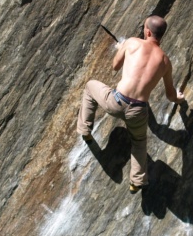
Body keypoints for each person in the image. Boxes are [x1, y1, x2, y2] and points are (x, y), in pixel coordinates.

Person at [77, 15, 185, 192]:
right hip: (138, 111)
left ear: (147, 31)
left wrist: (122, 49)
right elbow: (171, 95)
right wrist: (179, 98)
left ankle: (85, 131)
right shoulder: (165, 62)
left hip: (116, 101)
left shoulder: (132, 43)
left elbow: (115, 66)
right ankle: (136, 182)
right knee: (139, 141)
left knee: (90, 87)